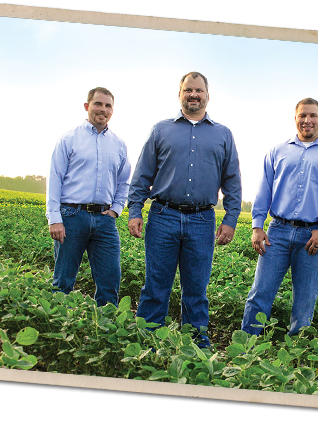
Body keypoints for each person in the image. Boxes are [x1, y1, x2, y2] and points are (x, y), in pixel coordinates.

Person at [127, 71, 242, 348]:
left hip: (202, 220)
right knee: (156, 284)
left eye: (199, 90)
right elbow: (142, 174)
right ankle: (147, 340)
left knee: (196, 288)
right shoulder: (161, 130)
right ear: (180, 94)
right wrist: (134, 210)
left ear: (207, 95)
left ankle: (195, 342)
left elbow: (232, 181)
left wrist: (231, 218)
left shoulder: (223, 134)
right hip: (163, 216)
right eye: (188, 90)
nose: (194, 95)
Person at [241, 98, 318, 336]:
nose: (307, 121)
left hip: (314, 235)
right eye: (302, 116)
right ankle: (247, 346)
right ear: (295, 118)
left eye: (312, 116)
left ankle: (295, 353)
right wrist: (257, 225)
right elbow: (264, 189)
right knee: (259, 293)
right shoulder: (278, 151)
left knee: (304, 301)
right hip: (277, 232)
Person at [46, 87, 131, 307]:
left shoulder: (119, 144)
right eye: (98, 104)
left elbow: (124, 182)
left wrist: (116, 209)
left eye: (108, 105)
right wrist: (54, 218)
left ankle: (104, 331)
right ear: (87, 106)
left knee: (110, 280)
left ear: (112, 110)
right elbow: (55, 179)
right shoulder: (69, 139)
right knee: (63, 280)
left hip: (105, 220)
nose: (103, 109)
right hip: (71, 216)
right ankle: (57, 325)